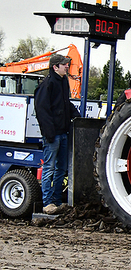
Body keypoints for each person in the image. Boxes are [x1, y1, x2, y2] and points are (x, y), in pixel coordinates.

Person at [34, 54, 81, 215]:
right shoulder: (47, 84)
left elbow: (65, 104)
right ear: (55, 67)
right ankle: (47, 203)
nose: (67, 66)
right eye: (64, 64)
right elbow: (42, 110)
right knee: (49, 168)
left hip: (63, 133)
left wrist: (77, 115)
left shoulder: (63, 82)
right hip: (53, 135)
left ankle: (57, 201)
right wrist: (49, 134)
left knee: (61, 168)